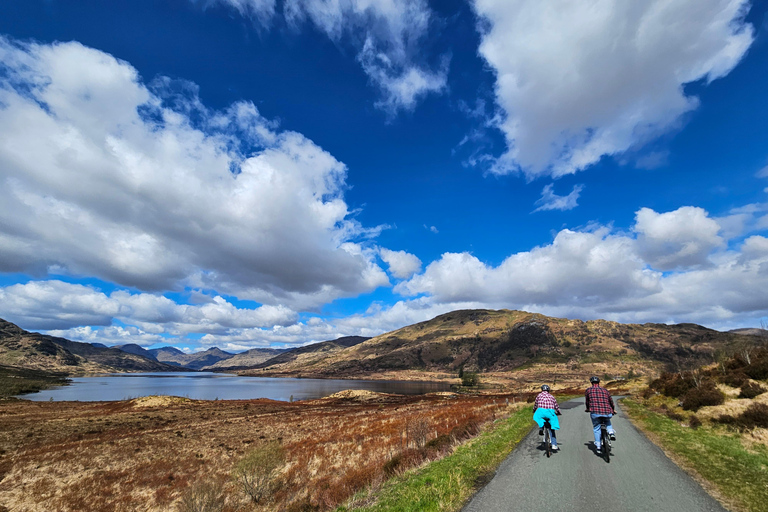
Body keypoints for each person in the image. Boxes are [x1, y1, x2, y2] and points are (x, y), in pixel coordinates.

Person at [585, 376, 616, 454]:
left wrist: (588, 408)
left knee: (596, 428)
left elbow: (587, 401)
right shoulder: (605, 390)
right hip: (607, 411)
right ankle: (611, 432)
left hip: (595, 412)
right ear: (599, 382)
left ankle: (598, 446)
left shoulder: (588, 390)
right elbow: (611, 401)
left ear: (591, 383)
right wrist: (613, 409)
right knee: (607, 421)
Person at [533, 384, 561, 450]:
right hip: (550, 412)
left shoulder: (539, 395)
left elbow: (535, 404)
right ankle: (554, 445)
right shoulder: (551, 396)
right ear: (548, 390)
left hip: (540, 411)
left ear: (542, 390)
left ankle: (541, 427)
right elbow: (556, 406)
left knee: (540, 418)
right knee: (552, 428)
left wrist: (534, 410)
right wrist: (559, 412)